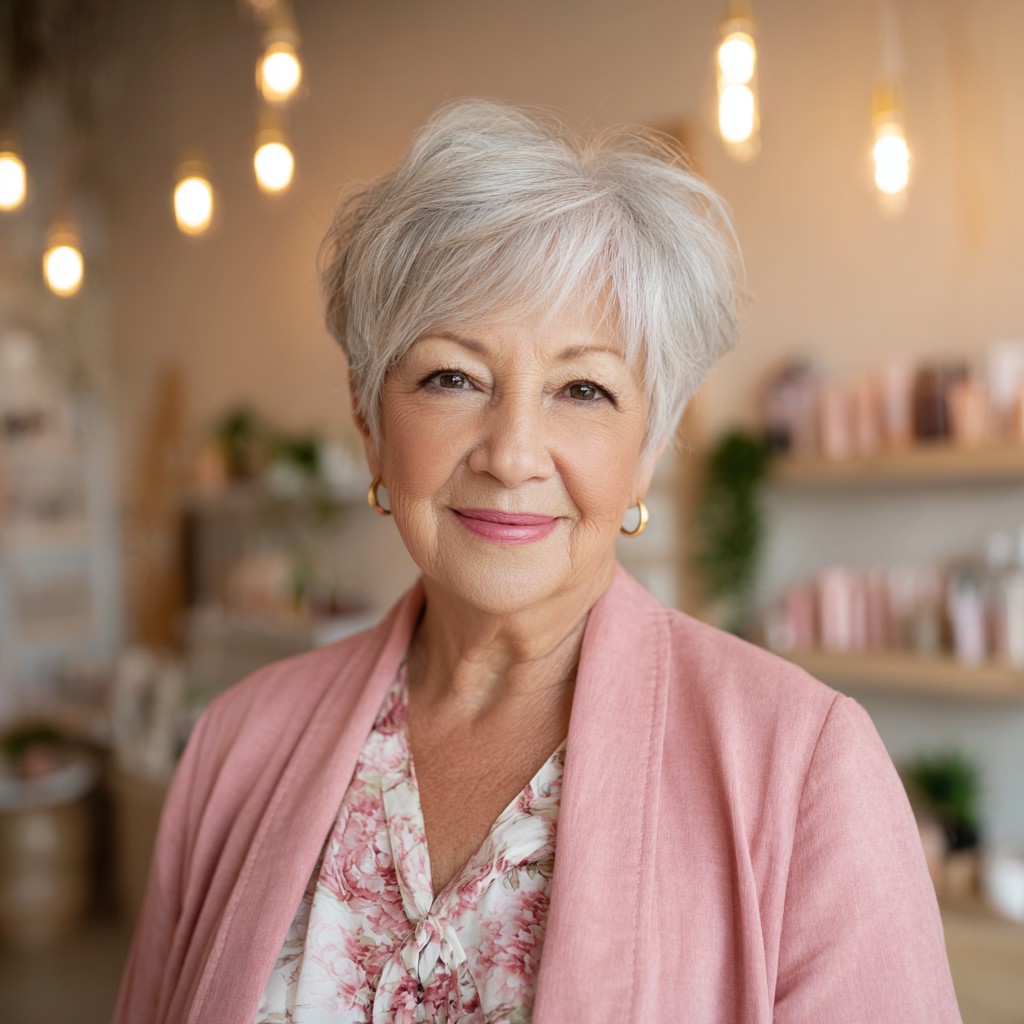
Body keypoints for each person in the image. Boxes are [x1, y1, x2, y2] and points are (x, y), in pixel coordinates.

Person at [115, 101, 961, 1024]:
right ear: (369, 419)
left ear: (648, 447)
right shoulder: (236, 745)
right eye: (453, 377)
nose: (513, 454)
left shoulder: (803, 770)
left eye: (583, 389)